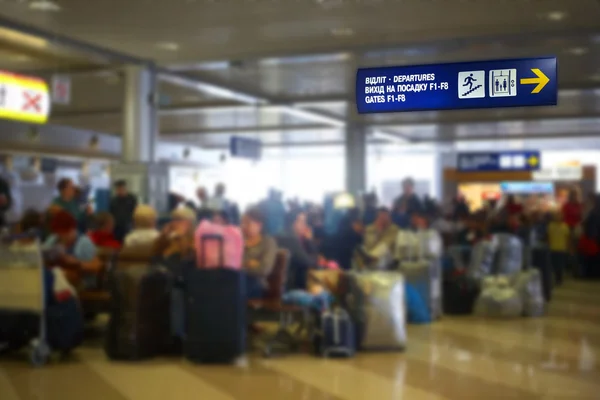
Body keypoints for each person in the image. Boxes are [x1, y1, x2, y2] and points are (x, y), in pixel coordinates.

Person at [44, 210, 101, 288]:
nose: (61, 236)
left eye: (64, 233)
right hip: (58, 280)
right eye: (58, 233)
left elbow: (96, 266)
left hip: (81, 283)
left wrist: (76, 262)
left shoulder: (84, 243)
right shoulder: (53, 239)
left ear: (72, 229)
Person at [277, 211, 319, 290]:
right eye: (301, 222)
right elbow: (310, 263)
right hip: (287, 289)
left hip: (280, 285)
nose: (305, 225)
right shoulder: (290, 239)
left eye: (305, 222)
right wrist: (309, 240)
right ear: (292, 222)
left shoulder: (282, 234)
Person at [241, 208, 277, 299]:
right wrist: (249, 264)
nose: (243, 226)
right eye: (242, 222)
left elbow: (264, 269)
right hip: (238, 279)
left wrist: (241, 266)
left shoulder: (268, 242)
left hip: (257, 283)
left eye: (247, 223)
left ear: (259, 225)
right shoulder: (239, 239)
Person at [547, 211, 569, 285]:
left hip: (561, 249)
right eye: (556, 216)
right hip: (553, 249)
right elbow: (548, 237)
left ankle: (559, 279)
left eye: (559, 216)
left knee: (560, 266)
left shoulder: (565, 227)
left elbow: (567, 238)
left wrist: (568, 247)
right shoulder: (551, 226)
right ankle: (555, 279)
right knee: (553, 265)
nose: (558, 218)